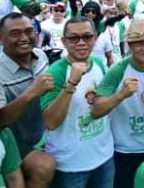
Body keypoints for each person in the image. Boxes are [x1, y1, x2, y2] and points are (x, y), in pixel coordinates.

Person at [91, 19, 144, 188]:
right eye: (139, 44)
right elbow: (96, 110)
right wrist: (121, 95)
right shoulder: (118, 70)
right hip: (125, 148)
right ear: (130, 45)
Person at [0, 13, 56, 188]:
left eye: (29, 31)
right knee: (43, 167)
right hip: (11, 141)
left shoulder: (40, 56)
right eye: (15, 33)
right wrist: (29, 94)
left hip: (41, 134)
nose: (24, 38)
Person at [40, 17, 114, 188]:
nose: (81, 43)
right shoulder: (55, 72)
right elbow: (50, 122)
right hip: (70, 165)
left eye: (87, 37)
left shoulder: (98, 63)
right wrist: (71, 84)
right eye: (74, 38)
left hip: (104, 156)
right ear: (64, 42)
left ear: (95, 38)